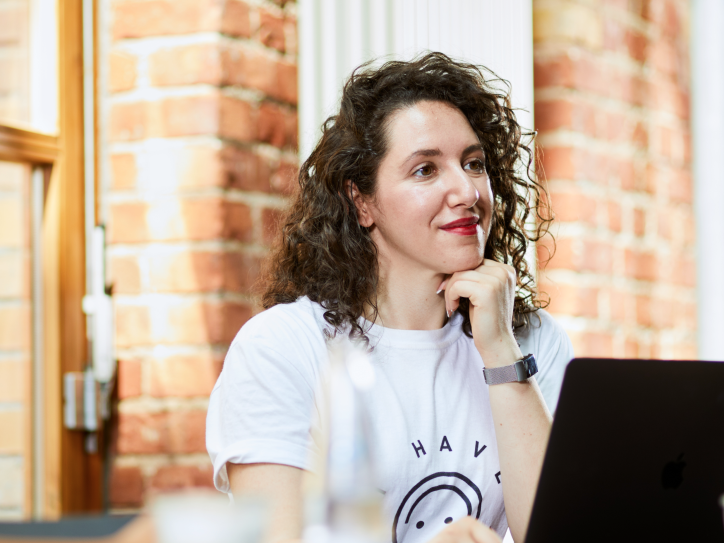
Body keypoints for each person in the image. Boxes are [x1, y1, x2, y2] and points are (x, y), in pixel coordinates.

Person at [206, 52, 574, 543]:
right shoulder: (281, 348)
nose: (466, 190)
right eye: (425, 170)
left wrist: (503, 353)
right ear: (362, 202)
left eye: (474, 163)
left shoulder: (531, 340)